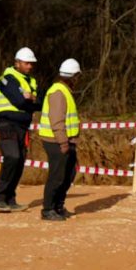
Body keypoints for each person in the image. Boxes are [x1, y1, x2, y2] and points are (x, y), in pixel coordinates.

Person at [0, 46, 38, 211]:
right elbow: (19, 101)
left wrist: (31, 98)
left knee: (19, 161)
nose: (30, 66)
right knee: (12, 157)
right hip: (7, 124)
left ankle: (10, 199)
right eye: (27, 63)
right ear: (17, 63)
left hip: (23, 126)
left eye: (31, 63)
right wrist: (31, 100)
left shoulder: (31, 81)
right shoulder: (7, 79)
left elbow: (40, 103)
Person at [38, 57, 82, 222]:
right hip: (55, 141)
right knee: (57, 176)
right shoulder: (58, 92)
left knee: (68, 174)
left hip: (65, 140)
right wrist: (63, 142)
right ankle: (48, 209)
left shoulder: (64, 91)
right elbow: (56, 120)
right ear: (73, 76)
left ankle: (58, 206)